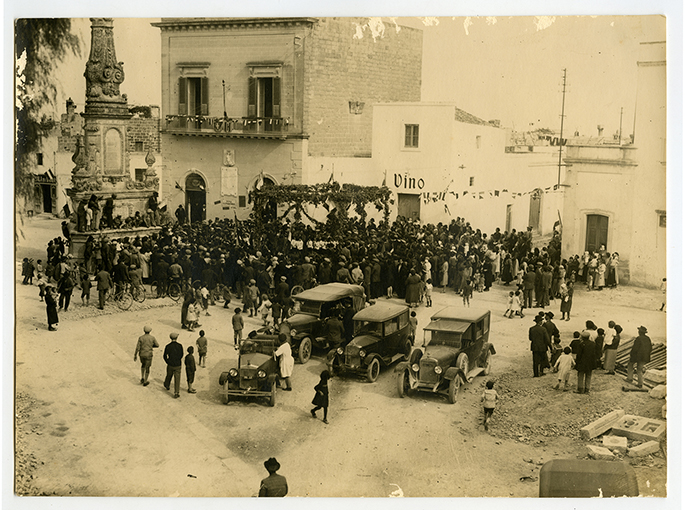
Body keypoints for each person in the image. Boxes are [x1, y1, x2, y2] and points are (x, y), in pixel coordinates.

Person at [163, 332, 184, 398]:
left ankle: (167, 384)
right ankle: (176, 392)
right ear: (176, 338)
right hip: (177, 364)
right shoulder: (180, 346)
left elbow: (164, 356)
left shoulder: (168, 346)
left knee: (169, 375)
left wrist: (167, 361)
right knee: (177, 378)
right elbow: (181, 354)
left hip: (170, 364)